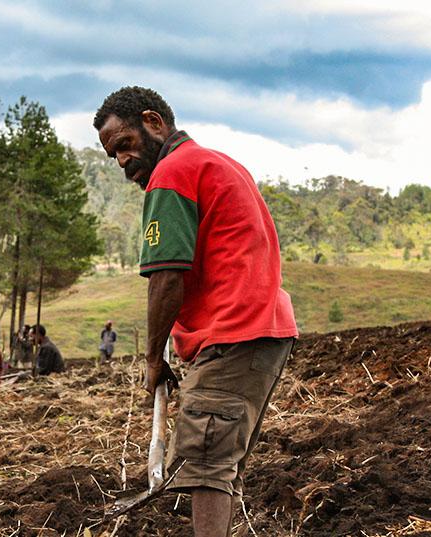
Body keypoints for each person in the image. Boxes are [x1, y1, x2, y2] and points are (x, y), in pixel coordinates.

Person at [94, 87, 298, 537]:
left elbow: (167, 276)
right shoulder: (219, 163)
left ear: (153, 122)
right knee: (222, 464)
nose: (123, 161)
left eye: (125, 145)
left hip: (233, 334)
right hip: (263, 331)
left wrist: (151, 359)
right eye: (114, 155)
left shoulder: (173, 173)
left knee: (204, 463)